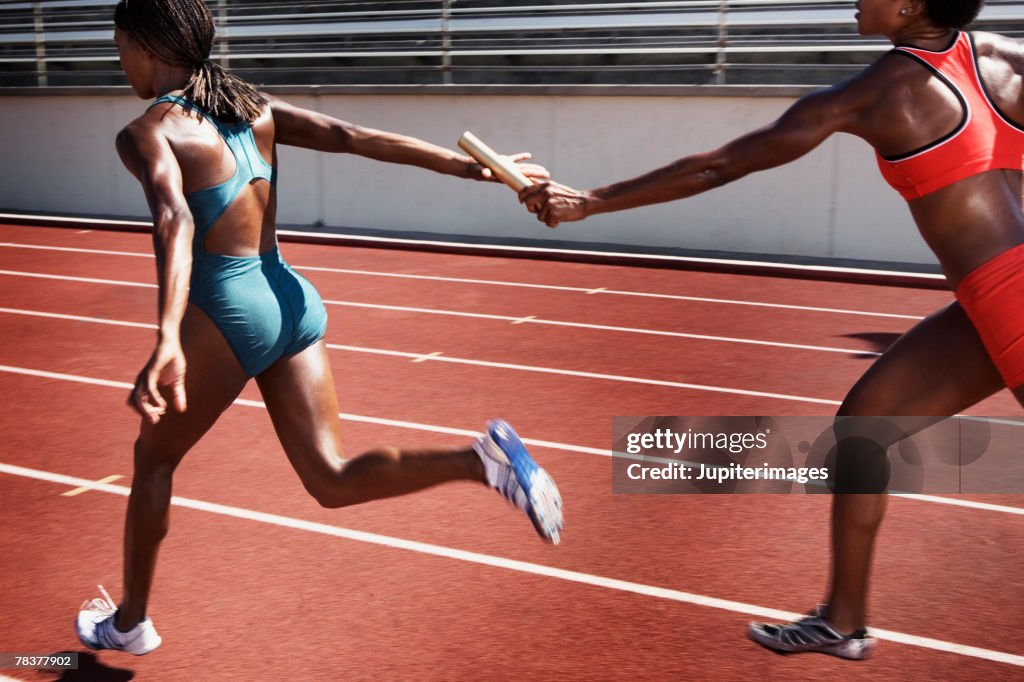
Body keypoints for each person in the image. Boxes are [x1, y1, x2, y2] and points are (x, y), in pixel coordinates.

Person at [519, 0, 1022, 661]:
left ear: (907, 4)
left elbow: (722, 165)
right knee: (865, 426)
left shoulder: (878, 93)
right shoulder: (1001, 59)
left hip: (1006, 300)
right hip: (987, 302)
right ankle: (843, 621)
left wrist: (590, 201)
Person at [74, 0, 563, 656]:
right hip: (292, 298)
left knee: (154, 458)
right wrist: (474, 167)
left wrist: (166, 334)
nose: (119, 59)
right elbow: (354, 137)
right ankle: (480, 460)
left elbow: (174, 219)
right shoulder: (256, 107)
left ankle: (131, 621)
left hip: (230, 307)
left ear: (150, 46)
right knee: (330, 477)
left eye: (120, 45)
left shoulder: (148, 131)